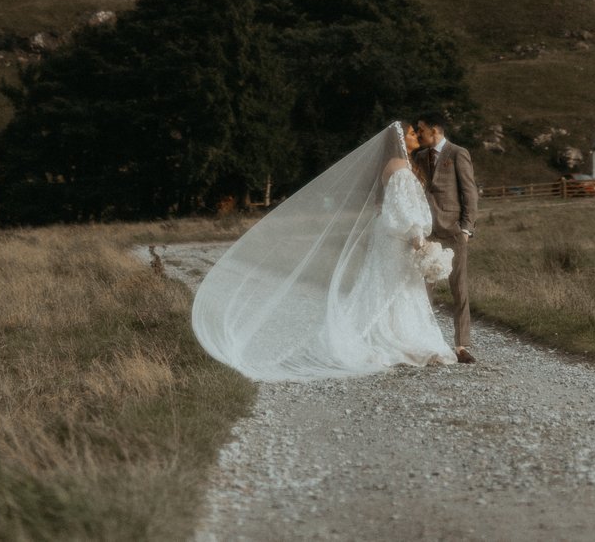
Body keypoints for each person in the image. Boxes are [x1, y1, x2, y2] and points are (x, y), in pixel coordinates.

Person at [188, 120, 455, 380]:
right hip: (400, 237)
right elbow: (402, 208)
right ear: (398, 140)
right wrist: (417, 237)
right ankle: (399, 340)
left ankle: (396, 337)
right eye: (410, 133)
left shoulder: (395, 165)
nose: (415, 137)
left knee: (388, 287)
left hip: (389, 236)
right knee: (397, 287)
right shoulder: (398, 166)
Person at [412, 111, 479, 363]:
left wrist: (466, 229)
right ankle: (425, 343)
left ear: (435, 130)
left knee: (459, 288)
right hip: (427, 232)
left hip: (453, 231)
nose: (419, 134)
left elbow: (469, 193)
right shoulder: (418, 157)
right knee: (423, 289)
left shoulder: (457, 153)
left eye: (422, 130)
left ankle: (461, 346)